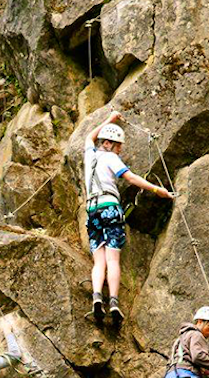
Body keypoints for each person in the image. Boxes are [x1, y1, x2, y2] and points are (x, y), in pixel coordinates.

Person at [84, 110, 174, 325]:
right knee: (113, 259)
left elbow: (89, 137)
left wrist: (109, 120)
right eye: (119, 146)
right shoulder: (111, 158)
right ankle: (113, 301)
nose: (120, 150)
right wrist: (156, 190)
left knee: (99, 261)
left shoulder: (90, 155)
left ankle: (97, 297)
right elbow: (130, 178)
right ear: (111, 144)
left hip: (92, 211)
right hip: (110, 208)